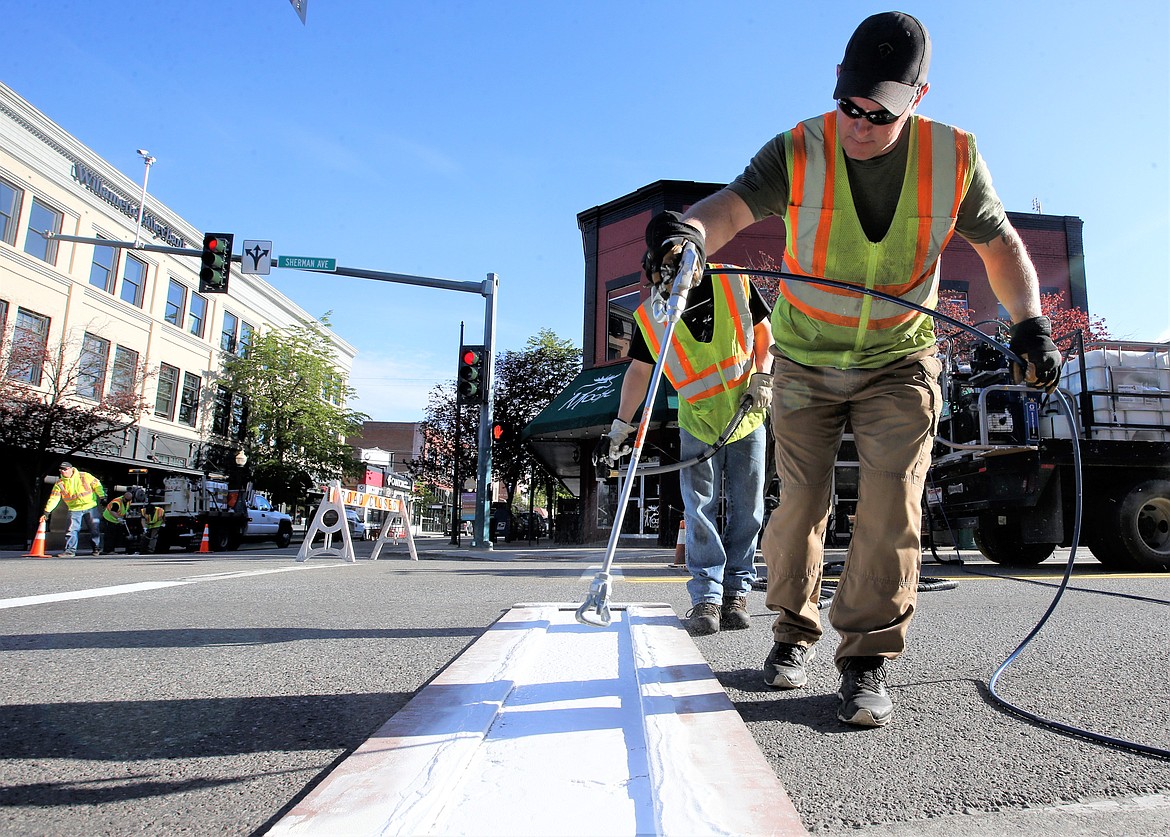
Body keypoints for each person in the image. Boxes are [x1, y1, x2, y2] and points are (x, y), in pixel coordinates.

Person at [641, 12, 1060, 726]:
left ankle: (865, 658)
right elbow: (730, 209)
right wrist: (687, 235)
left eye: (881, 114)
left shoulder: (952, 156)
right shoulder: (798, 147)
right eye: (851, 106)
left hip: (899, 357)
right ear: (838, 81)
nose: (861, 125)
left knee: (894, 500)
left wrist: (1031, 324)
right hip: (804, 358)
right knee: (800, 503)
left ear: (918, 97)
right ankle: (791, 630)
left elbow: (1000, 245)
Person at [595, 264, 774, 635]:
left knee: (749, 509)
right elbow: (640, 373)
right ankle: (706, 597)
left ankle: (736, 593)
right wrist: (619, 428)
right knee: (699, 510)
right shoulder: (652, 315)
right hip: (699, 422)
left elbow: (764, 336)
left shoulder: (733, 282)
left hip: (748, 413)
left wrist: (763, 374)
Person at [40, 462, 106, 558]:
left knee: (94, 529)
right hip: (74, 509)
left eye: (65, 469)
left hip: (90, 506)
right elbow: (54, 498)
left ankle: (96, 548)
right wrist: (47, 511)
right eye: (61, 470)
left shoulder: (84, 476)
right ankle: (70, 551)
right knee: (72, 530)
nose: (63, 471)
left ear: (71, 469)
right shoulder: (60, 484)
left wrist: (102, 496)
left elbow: (97, 485)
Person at [100, 490, 136, 555]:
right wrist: (118, 518)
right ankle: (108, 550)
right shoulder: (117, 502)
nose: (127, 501)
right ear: (123, 497)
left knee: (116, 534)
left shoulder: (128, 501)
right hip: (109, 518)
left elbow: (126, 507)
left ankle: (115, 549)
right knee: (109, 535)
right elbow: (112, 511)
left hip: (116, 520)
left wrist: (127, 512)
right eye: (126, 500)